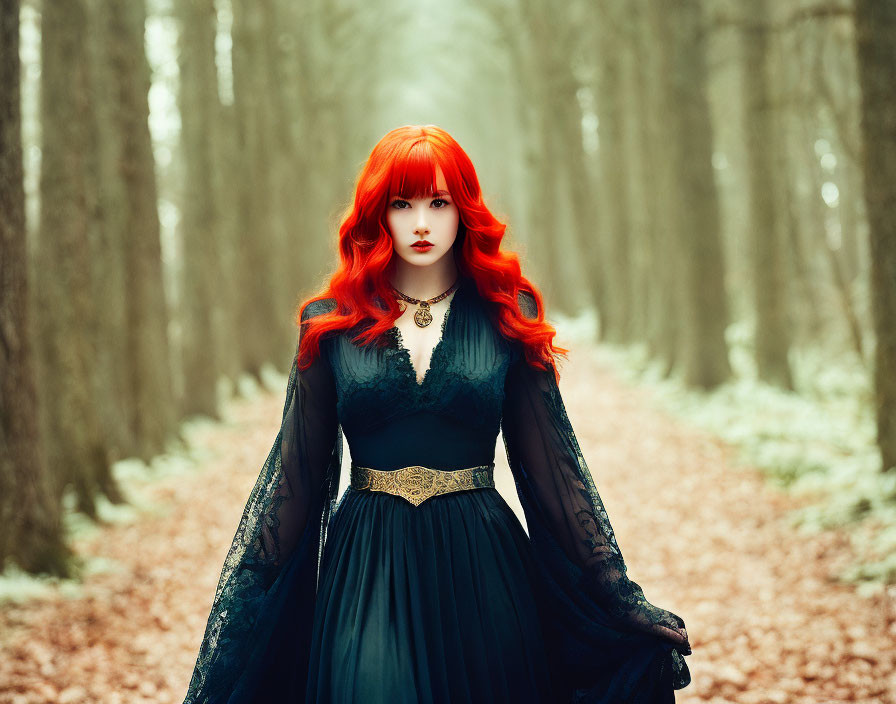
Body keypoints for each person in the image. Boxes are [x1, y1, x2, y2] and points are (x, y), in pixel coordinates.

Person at [181, 125, 692, 704]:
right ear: (378, 213)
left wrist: (617, 594)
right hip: (366, 568)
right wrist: (245, 607)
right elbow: (294, 483)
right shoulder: (329, 324)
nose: (421, 223)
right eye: (402, 204)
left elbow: (553, 472)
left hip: (483, 565)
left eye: (439, 202)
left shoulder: (508, 313)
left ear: (463, 209)